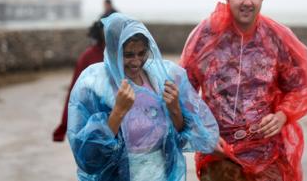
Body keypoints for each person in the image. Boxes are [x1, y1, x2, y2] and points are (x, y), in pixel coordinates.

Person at [180, 0, 307, 181]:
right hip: (218, 149)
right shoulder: (206, 37)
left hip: (268, 152)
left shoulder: (276, 36)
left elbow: (302, 85)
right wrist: (205, 134)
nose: (247, 2)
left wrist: (282, 115)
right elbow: (185, 90)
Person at [67, 13, 219, 180]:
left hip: (161, 174)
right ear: (113, 51)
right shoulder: (95, 85)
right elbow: (88, 159)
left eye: (142, 53)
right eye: (128, 55)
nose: (136, 61)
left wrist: (175, 109)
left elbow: (186, 140)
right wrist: (118, 112)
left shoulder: (162, 77)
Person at [52, 21, 105, 141]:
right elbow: (74, 90)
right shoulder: (88, 57)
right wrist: (65, 123)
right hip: (91, 118)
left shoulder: (122, 55)